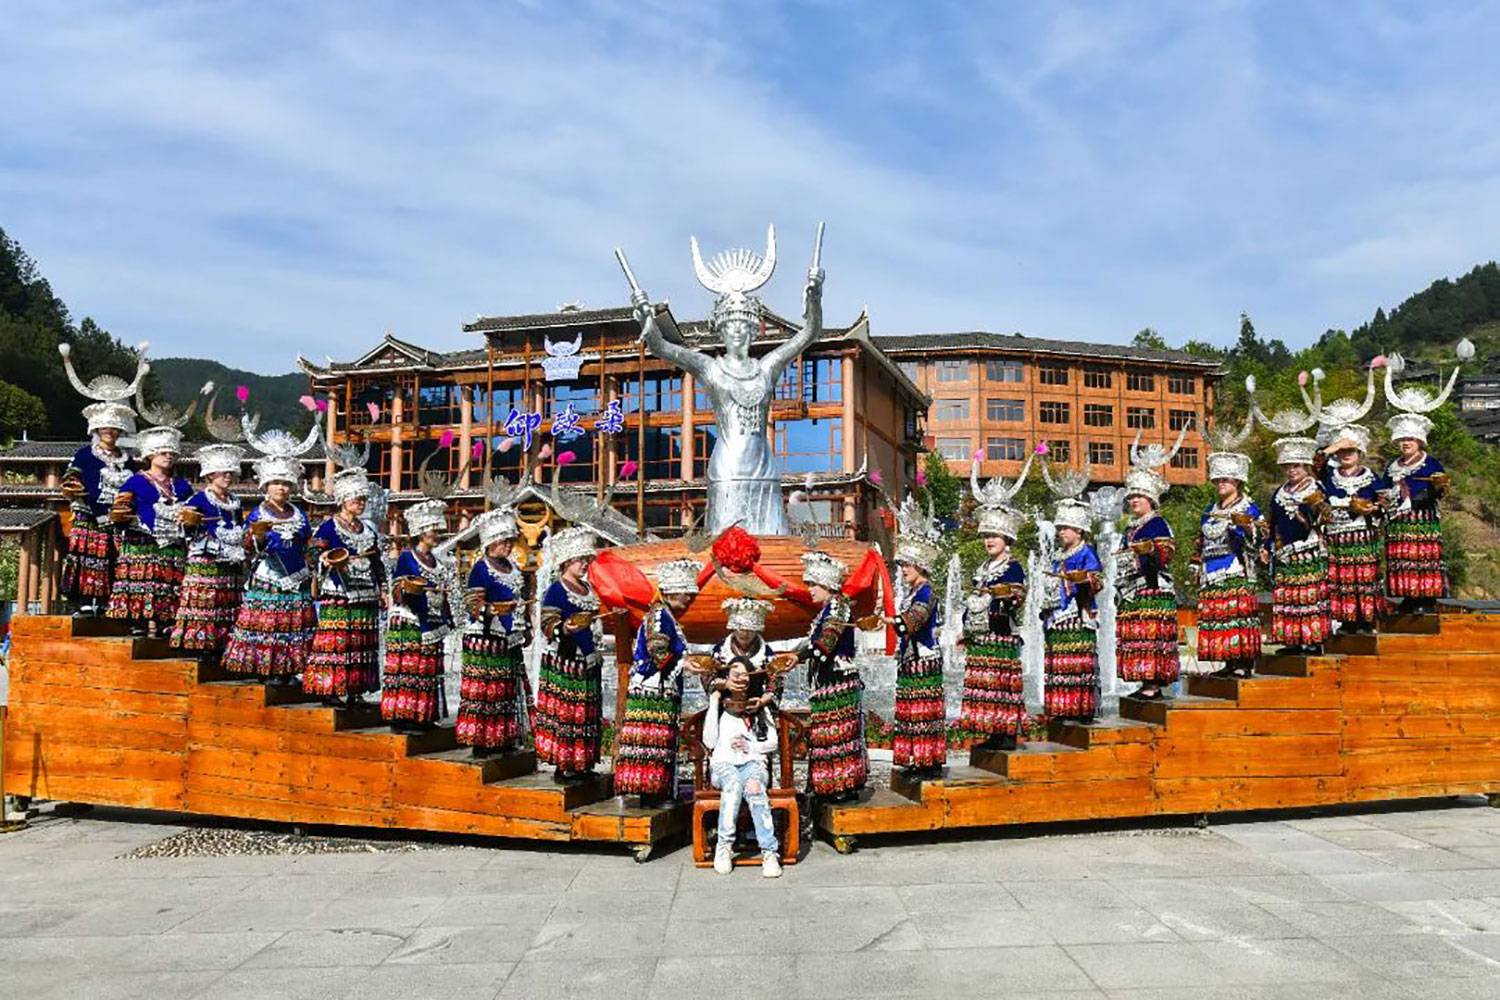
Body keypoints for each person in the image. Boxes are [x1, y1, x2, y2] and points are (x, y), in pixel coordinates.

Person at [221, 453, 316, 681]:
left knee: (294, 626)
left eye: (285, 483)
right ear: (266, 486)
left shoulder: (299, 514)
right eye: (276, 483)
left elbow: (307, 542)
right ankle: (266, 669)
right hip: (270, 575)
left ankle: (290, 669)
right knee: (269, 624)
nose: (281, 488)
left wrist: (314, 556)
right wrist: (258, 537)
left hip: (298, 576)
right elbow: (248, 545)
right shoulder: (258, 513)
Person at [614, 559, 700, 802]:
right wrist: (684, 663)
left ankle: (655, 792)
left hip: (660, 688)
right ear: (671, 592)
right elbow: (657, 650)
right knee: (651, 744)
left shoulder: (665, 615)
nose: (689, 599)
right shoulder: (660, 615)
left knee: (657, 744)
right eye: (686, 594)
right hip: (653, 689)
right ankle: (649, 794)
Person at [304, 466, 387, 707]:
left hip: (366, 594)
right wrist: (326, 558)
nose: (360, 502)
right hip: (339, 592)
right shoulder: (329, 527)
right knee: (336, 641)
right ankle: (329, 690)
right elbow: (312, 553)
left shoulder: (368, 530)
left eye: (363, 499)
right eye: (355, 498)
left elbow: (377, 562)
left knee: (361, 643)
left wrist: (383, 589)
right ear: (343, 500)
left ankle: (356, 691)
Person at [106, 427, 193, 637]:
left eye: (172, 454)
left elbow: (192, 510)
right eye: (163, 453)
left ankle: (166, 622)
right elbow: (121, 507)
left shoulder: (182, 486)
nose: (168, 457)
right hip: (141, 540)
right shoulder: (136, 481)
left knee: (169, 583)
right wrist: (122, 513)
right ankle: (139, 622)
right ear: (151, 455)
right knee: (141, 581)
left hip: (172, 542)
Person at [456, 507, 529, 756]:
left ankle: (502, 737)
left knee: (504, 690)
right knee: (484, 690)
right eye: (503, 541)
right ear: (491, 542)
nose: (508, 546)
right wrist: (490, 609)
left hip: (508, 637)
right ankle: (481, 741)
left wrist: (525, 625)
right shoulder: (481, 568)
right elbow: (472, 602)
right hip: (485, 638)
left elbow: (521, 598)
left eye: (510, 541)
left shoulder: (514, 568)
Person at [383, 498, 460, 730]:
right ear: (420, 532)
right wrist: (410, 588)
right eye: (432, 531)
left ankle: (423, 715)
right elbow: (400, 587)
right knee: (409, 669)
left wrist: (448, 614)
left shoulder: (437, 561)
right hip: (411, 620)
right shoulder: (407, 557)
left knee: (427, 671)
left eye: (438, 531)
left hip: (432, 620)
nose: (436, 536)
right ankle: (403, 716)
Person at [536, 526, 605, 782]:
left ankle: (583, 762)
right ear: (567, 561)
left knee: (585, 713)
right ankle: (564, 765)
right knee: (568, 713)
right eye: (580, 560)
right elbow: (547, 623)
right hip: (567, 660)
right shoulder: (557, 589)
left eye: (587, 559)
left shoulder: (588, 588)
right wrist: (564, 628)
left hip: (588, 659)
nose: (584, 564)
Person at [702, 660, 782, 878]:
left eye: (744, 674)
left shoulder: (758, 707)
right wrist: (714, 700)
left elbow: (773, 742)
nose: (739, 679)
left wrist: (751, 746)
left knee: (754, 788)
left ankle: (769, 851)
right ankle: (724, 846)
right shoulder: (721, 706)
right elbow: (709, 741)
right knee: (733, 784)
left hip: (753, 763)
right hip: (723, 764)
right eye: (734, 674)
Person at [799, 550, 868, 800]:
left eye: (813, 584)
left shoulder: (838, 607)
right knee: (831, 733)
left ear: (827, 584)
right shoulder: (828, 608)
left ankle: (841, 787)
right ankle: (832, 785)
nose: (809, 590)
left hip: (837, 679)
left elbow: (826, 642)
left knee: (838, 733)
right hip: (829, 679)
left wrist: (797, 656)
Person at [957, 504, 1027, 750]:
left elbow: (1018, 597)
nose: (989, 540)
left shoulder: (1013, 567)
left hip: (1001, 633)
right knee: (986, 685)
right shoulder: (983, 568)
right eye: (986, 535)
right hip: (981, 635)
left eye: (994, 535)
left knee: (1000, 684)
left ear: (1007, 538)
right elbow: (974, 601)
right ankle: (993, 732)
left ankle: (1006, 734)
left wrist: (1009, 595)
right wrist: (965, 631)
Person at [169, 443, 247, 656]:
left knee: (227, 602)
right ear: (211, 474)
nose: (228, 476)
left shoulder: (235, 501)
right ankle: (198, 646)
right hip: (207, 558)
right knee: (205, 603)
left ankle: (223, 644)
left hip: (230, 559)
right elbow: (183, 526)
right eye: (223, 472)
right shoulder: (199, 499)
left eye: (231, 472)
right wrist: (188, 522)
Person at [60, 402, 137, 614]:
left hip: (118, 518)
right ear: (96, 429)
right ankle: (82, 600)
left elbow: (134, 488)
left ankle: (106, 602)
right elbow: (71, 477)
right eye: (105, 428)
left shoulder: (128, 460)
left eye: (114, 428)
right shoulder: (85, 454)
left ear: (120, 431)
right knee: (86, 556)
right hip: (89, 514)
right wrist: (74, 486)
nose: (109, 432)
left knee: (113, 558)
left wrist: (127, 508)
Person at [1193, 451, 1262, 678]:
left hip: (1235, 567)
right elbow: (1200, 541)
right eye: (1218, 480)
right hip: (1211, 570)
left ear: (1237, 481)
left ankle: (1242, 663)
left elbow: (1260, 537)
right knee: (1220, 617)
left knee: (1236, 616)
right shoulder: (1209, 511)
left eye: (1226, 479)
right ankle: (1228, 661)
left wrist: (1246, 527)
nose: (1221, 483)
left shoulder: (1248, 507)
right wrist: (1196, 564)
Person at [1264, 436, 1332, 654]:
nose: (1292, 470)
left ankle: (1312, 641)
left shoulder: (1315, 487)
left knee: (1308, 595)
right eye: (1288, 466)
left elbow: (1326, 517)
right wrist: (1267, 545)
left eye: (1296, 466)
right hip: (1284, 551)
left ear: (1305, 466)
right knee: (1289, 597)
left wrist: (1313, 512)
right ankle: (1292, 640)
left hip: (1308, 549)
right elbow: (1272, 521)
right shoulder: (1279, 492)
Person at [1116, 469, 1179, 700]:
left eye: (1139, 496)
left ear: (1150, 499)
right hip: (1133, 588)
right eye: (1131, 497)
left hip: (1152, 587)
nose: (1134, 500)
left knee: (1150, 636)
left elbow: (1167, 553)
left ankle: (1153, 684)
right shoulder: (1130, 528)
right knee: (1138, 637)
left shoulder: (1157, 523)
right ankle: (1145, 681)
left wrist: (1151, 551)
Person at [1319, 424, 1385, 633]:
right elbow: (1312, 462)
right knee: (1341, 579)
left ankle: (1365, 621)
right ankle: (1346, 621)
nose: (1346, 455)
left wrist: (1372, 508)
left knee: (1363, 578)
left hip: (1362, 535)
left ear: (1360, 453)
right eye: (1342, 451)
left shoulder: (1370, 476)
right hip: (1337, 537)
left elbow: (1385, 502)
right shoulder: (1328, 476)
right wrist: (1333, 446)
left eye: (1351, 450)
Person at [1042, 499, 1103, 722]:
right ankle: (1062, 707)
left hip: (1078, 613)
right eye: (1059, 528)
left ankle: (1082, 708)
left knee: (1078, 661)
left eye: (1065, 528)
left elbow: (1097, 580)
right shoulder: (1058, 555)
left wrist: (1083, 580)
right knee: (1060, 662)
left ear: (1079, 530)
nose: (1061, 532)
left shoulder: (1086, 552)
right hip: (1057, 615)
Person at [889, 540, 946, 777]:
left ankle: (928, 762)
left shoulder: (926, 591)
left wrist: (892, 621)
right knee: (913, 711)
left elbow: (915, 620)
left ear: (920, 566)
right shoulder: (914, 592)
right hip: (911, 658)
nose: (903, 570)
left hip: (924, 658)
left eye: (907, 565)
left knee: (923, 711)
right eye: (902, 565)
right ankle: (919, 759)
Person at [1382, 412, 1449, 612]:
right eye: (1402, 439)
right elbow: (1383, 489)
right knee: (1403, 558)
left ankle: (1426, 599)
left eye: (1410, 439)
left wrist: (1435, 488)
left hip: (1421, 517)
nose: (1406, 443)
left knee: (1422, 557)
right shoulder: (1392, 465)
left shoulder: (1430, 463)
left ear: (1419, 441)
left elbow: (1440, 488)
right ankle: (1409, 597)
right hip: (1398, 520)